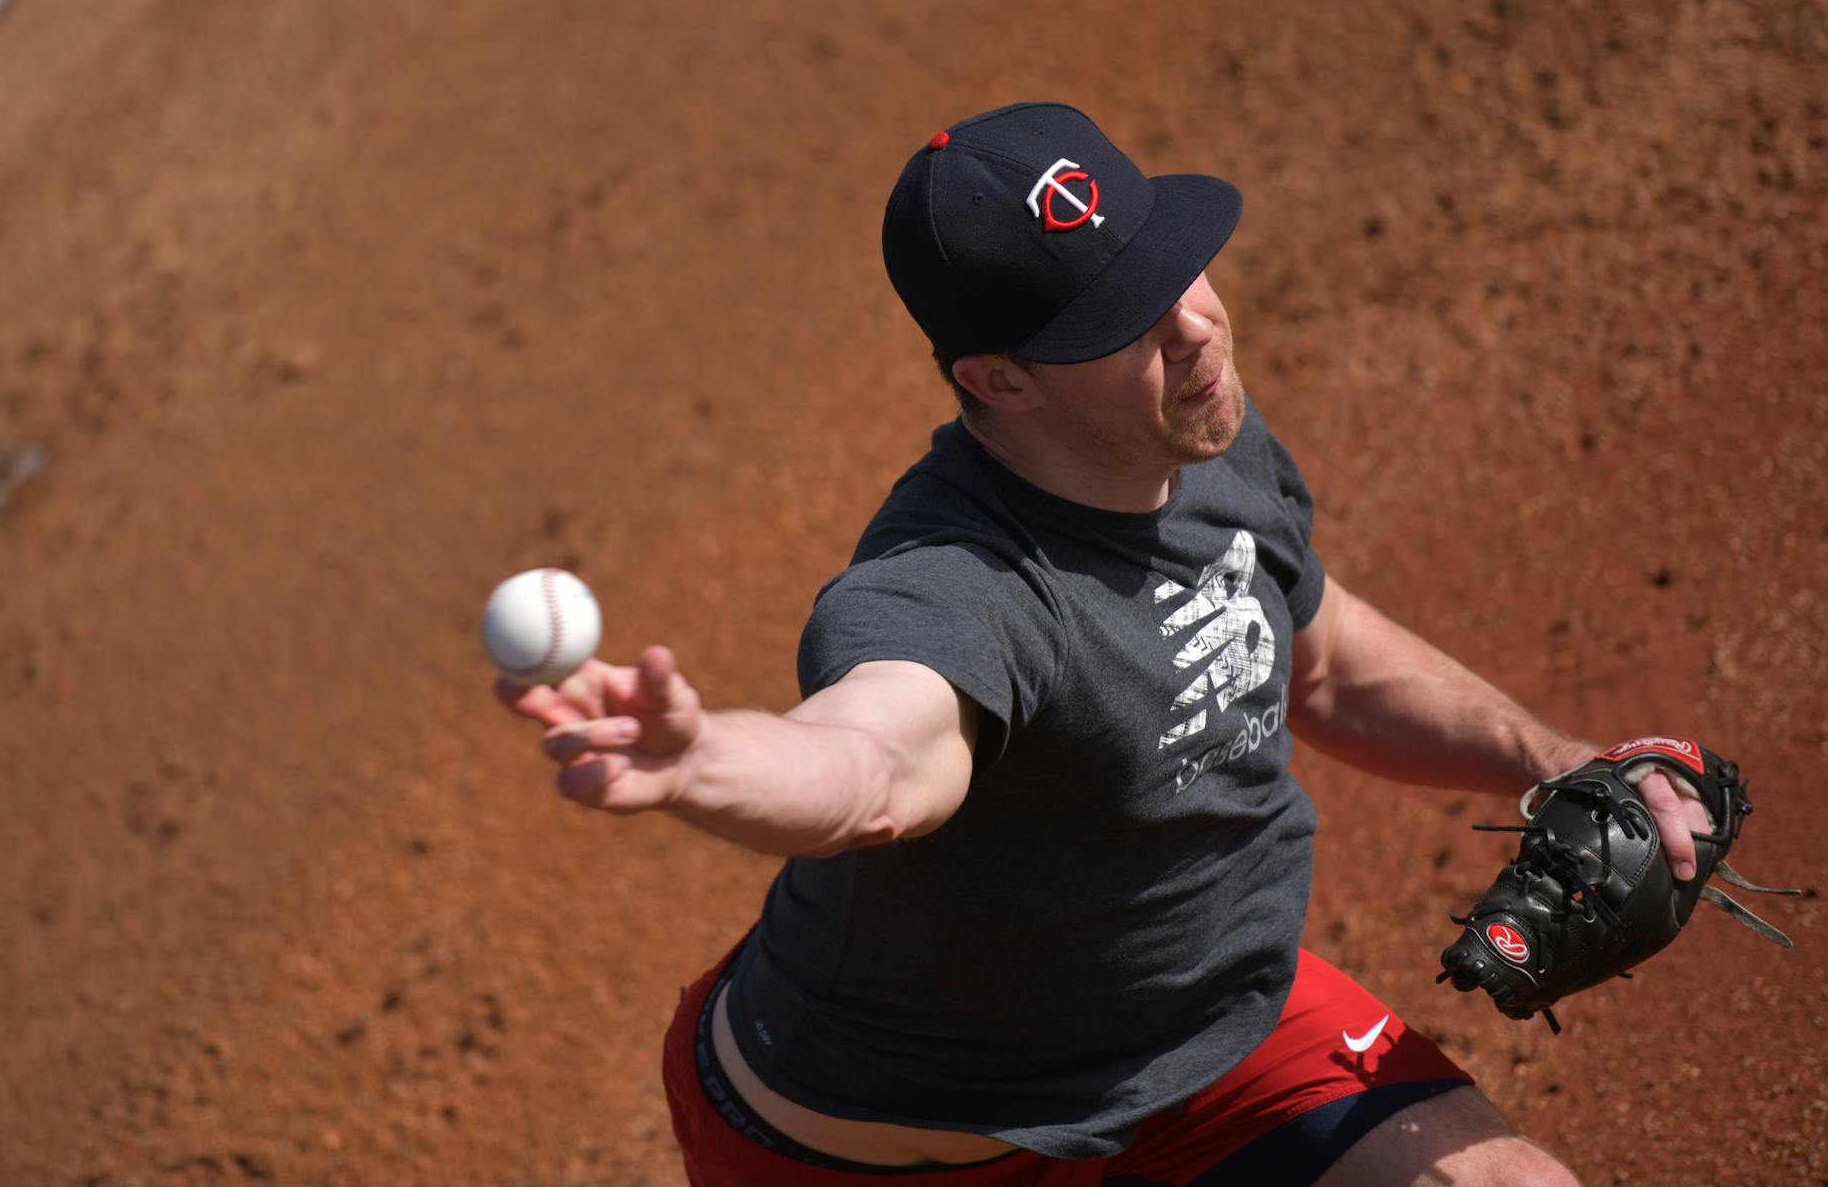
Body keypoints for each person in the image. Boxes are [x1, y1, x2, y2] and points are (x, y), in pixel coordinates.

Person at [498, 102, 1707, 1186]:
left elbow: (1320, 654)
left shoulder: (1191, 434)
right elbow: (873, 764)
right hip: (889, 1151)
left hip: (1203, 1044)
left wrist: (1551, 756)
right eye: (1121, 319)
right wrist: (701, 760)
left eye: (1175, 268)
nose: (1194, 325)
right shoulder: (954, 588)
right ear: (1001, 381)